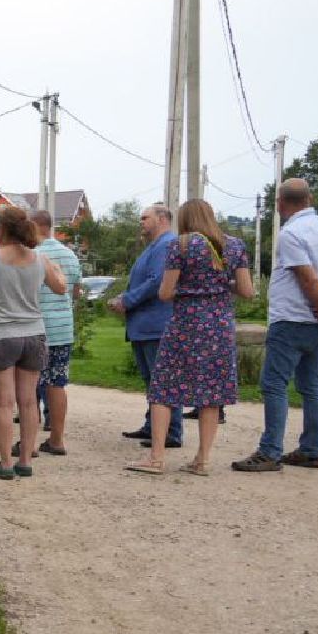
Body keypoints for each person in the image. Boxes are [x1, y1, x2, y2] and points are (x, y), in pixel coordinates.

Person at [232, 179, 318, 472]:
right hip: (317, 324)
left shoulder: (291, 234)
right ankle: (311, 449)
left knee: (274, 384)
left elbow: (308, 279)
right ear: (309, 199)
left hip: (292, 320)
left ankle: (270, 451)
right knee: (312, 385)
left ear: (280, 203)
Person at [126, 199, 255, 475]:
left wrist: (190, 286)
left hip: (186, 324)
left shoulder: (180, 245)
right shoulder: (235, 246)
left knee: (163, 387)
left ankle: (157, 458)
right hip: (219, 326)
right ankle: (202, 460)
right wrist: (221, 284)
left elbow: (165, 292)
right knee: (211, 393)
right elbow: (247, 291)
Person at [0, 207, 68, 479]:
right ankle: (26, 460)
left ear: (1, 229)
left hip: (2, 335)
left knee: (4, 404)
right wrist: (58, 270)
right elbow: (61, 288)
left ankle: (5, 463)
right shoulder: (40, 259)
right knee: (29, 402)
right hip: (34, 335)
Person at [110, 204, 184, 450]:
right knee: (151, 379)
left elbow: (157, 282)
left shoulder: (166, 245)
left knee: (161, 378)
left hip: (157, 324)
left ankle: (171, 431)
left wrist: (127, 300)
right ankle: (153, 425)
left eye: (145, 218)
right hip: (145, 324)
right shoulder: (155, 246)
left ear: (162, 219)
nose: (141, 222)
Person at [31, 209, 83, 455]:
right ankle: (57, 439)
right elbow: (75, 292)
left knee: (29, 385)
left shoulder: (32, 255)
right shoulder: (70, 255)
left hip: (36, 327)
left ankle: (28, 444)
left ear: (33, 226)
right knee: (57, 383)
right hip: (63, 328)